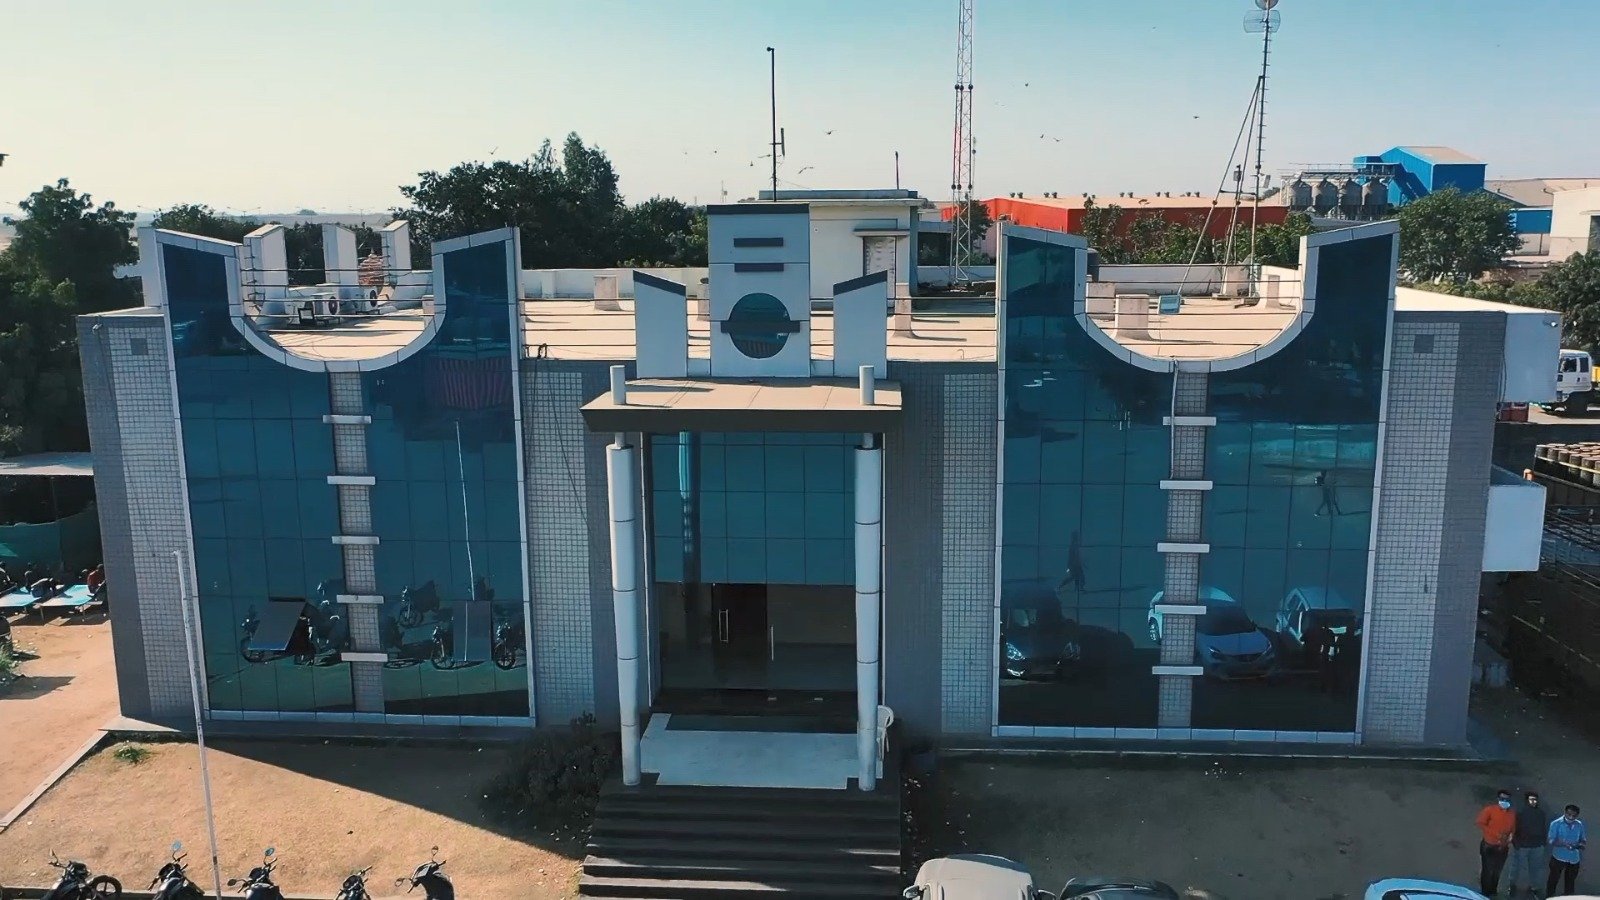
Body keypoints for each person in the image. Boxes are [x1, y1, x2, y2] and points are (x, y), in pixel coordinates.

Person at [1509, 791, 1549, 897]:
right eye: (1531, 799)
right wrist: (1516, 842)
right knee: (1516, 867)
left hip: (1537, 845)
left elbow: (1543, 828)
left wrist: (1543, 842)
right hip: (1522, 845)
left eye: (1535, 800)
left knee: (1536, 868)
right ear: (1527, 801)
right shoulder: (1520, 813)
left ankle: (1534, 888)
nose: (1534, 801)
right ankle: (1512, 885)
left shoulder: (1541, 813)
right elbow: (1514, 828)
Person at [1478, 789, 1517, 896]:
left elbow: (1513, 828)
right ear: (1498, 799)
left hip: (1503, 847)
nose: (1504, 801)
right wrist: (1496, 834)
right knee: (1487, 870)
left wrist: (1511, 836)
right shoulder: (1490, 810)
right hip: (1489, 845)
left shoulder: (1512, 814)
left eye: (1506, 799)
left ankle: (1493, 890)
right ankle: (1484, 893)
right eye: (1502, 799)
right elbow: (1480, 823)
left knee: (1498, 870)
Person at [1547, 804, 1586, 897]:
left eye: (1574, 815)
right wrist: (1563, 844)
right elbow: (1550, 840)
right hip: (1558, 857)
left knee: (1570, 883)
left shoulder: (1579, 824)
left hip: (1574, 859)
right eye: (1569, 814)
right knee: (1553, 880)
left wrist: (1579, 845)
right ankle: (1550, 896)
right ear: (1565, 812)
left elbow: (1583, 840)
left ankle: (1568, 897)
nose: (1571, 817)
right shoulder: (1556, 824)